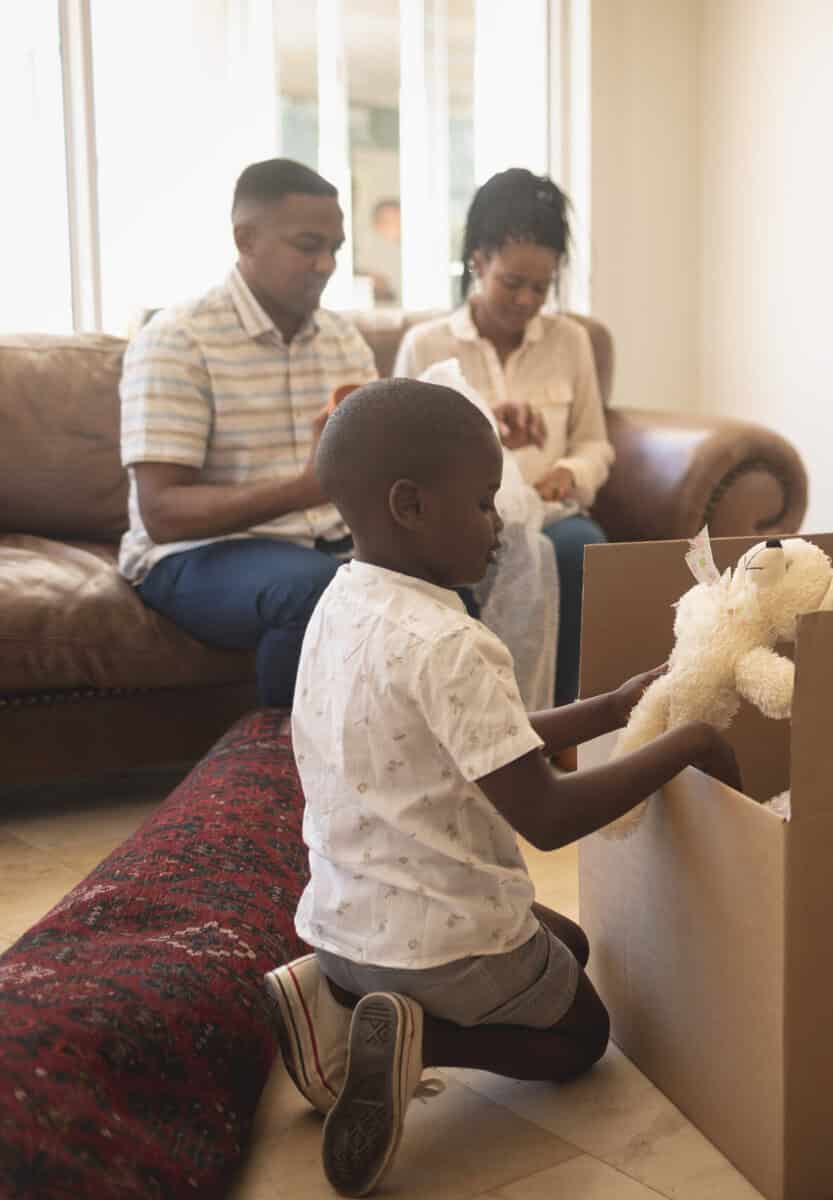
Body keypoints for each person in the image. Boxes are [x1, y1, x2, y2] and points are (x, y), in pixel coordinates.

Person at [259, 378, 740, 1197]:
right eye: (484, 502)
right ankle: (415, 1040)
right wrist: (685, 744)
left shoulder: (342, 602)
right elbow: (548, 818)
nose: (502, 522)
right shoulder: (454, 641)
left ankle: (335, 998)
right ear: (409, 505)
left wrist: (613, 709)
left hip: (343, 925)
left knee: (572, 947)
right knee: (579, 1038)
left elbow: (485, 746)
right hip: (437, 943)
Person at [119, 158, 377, 708]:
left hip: (324, 541)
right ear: (245, 238)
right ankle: (281, 784)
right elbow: (162, 514)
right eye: (308, 245)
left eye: (336, 246)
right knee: (318, 592)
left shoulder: (343, 340)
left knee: (440, 587)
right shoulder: (178, 340)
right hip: (195, 554)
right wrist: (306, 488)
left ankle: (435, 778)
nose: (327, 264)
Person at [394, 169, 612, 708]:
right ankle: (473, 720)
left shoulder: (571, 342)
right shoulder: (427, 345)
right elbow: (398, 451)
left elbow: (594, 443)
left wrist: (570, 474)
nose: (525, 300)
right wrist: (487, 431)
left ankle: (565, 718)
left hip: (550, 511)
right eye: (512, 282)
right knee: (471, 559)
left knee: (580, 547)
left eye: (541, 287)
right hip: (458, 519)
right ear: (477, 262)